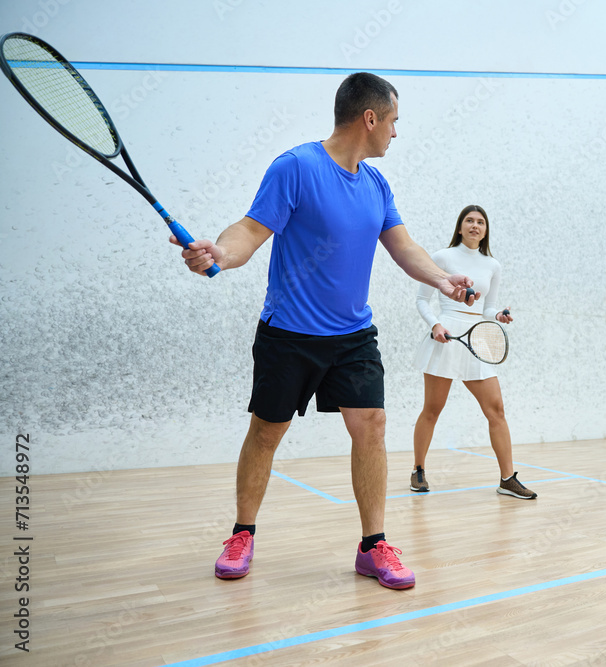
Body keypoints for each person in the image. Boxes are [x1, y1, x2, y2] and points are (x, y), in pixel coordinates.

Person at [172, 72, 480, 589]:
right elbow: (250, 229)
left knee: (373, 425)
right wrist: (223, 255)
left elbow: (404, 248)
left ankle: (373, 545)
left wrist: (443, 279)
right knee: (267, 432)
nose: (396, 134)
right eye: (394, 122)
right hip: (288, 334)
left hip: (352, 336)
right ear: (370, 118)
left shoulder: (377, 184)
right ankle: (242, 533)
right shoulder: (296, 167)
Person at [409, 205, 536, 500]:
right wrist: (435, 324)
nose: (475, 225)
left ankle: (507, 479)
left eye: (480, 222)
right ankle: (418, 470)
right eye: (469, 220)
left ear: (486, 229)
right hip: (445, 338)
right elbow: (422, 300)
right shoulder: (442, 257)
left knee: (497, 411)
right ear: (460, 227)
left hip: (476, 341)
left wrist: (499, 315)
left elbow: (487, 308)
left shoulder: (493, 265)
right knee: (432, 410)